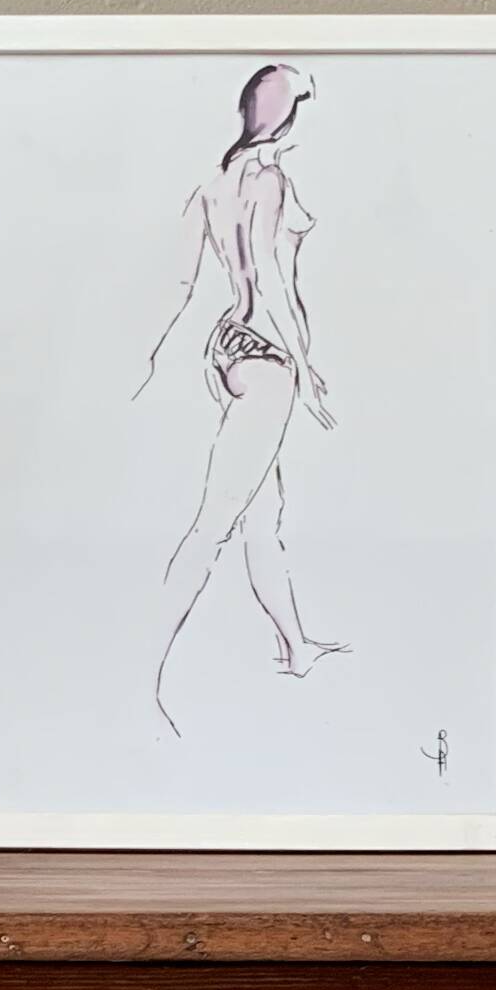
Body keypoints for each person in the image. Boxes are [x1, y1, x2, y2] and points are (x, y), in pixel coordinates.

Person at [137, 62, 343, 730]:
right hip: (268, 358)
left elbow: (181, 282)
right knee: (215, 522)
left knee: (261, 516)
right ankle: (141, 678)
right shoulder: (268, 180)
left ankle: (295, 645)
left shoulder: (213, 182)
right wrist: (306, 369)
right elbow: (273, 282)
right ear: (286, 117)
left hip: (227, 350)